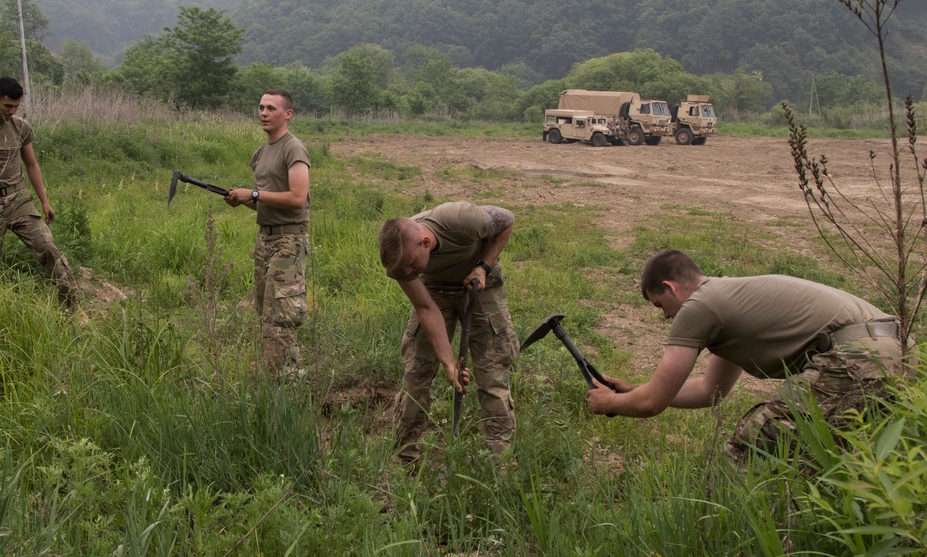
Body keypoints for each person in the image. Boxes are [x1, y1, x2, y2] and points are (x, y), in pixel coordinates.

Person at [586, 249, 905, 464]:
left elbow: (651, 404)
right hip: (895, 349)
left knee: (751, 441)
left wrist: (610, 403)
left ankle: (730, 534)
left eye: (659, 306)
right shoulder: (728, 302)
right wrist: (636, 390)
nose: (665, 317)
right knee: (841, 456)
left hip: (855, 354)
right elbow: (710, 391)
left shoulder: (700, 307)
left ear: (670, 288)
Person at [378, 201, 520, 465]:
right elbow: (425, 307)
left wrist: (483, 266)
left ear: (425, 242)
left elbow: (507, 220)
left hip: (481, 285)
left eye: (410, 265)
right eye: (403, 269)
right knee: (416, 373)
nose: (407, 273)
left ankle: (499, 464)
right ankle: (405, 460)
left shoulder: (461, 219)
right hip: (435, 289)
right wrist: (449, 363)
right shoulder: (399, 261)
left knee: (493, 373)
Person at [0, 77, 82, 314]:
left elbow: (31, 165)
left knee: (49, 250)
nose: (12, 112)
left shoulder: (20, 127)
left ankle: (72, 310)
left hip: (19, 200)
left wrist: (44, 201)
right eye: (7, 106)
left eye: (16, 107)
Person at [225, 90, 310, 375]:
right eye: (260, 107)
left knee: (282, 315)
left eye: (270, 108)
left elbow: (298, 197)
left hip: (288, 241)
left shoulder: (293, 148)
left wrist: (255, 193)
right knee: (265, 311)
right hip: (266, 238)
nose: (263, 113)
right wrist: (245, 200)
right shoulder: (261, 153)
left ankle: (284, 381)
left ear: (287, 114)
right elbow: (267, 202)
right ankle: (278, 374)